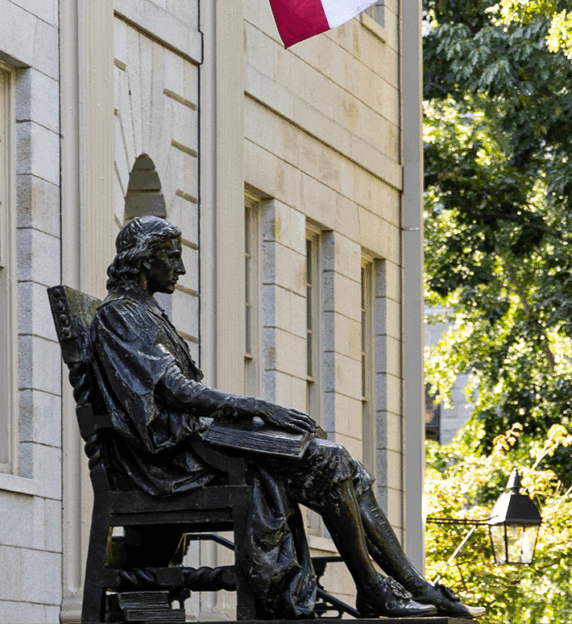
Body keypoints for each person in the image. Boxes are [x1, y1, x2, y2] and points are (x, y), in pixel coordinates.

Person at [91, 215, 485, 619]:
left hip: (194, 445)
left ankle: (408, 586)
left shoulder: (144, 312)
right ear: (143, 260)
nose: (181, 268)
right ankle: (376, 590)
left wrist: (262, 415)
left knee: (341, 462)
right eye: (172, 257)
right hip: (166, 461)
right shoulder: (121, 315)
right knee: (328, 459)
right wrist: (260, 407)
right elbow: (177, 392)